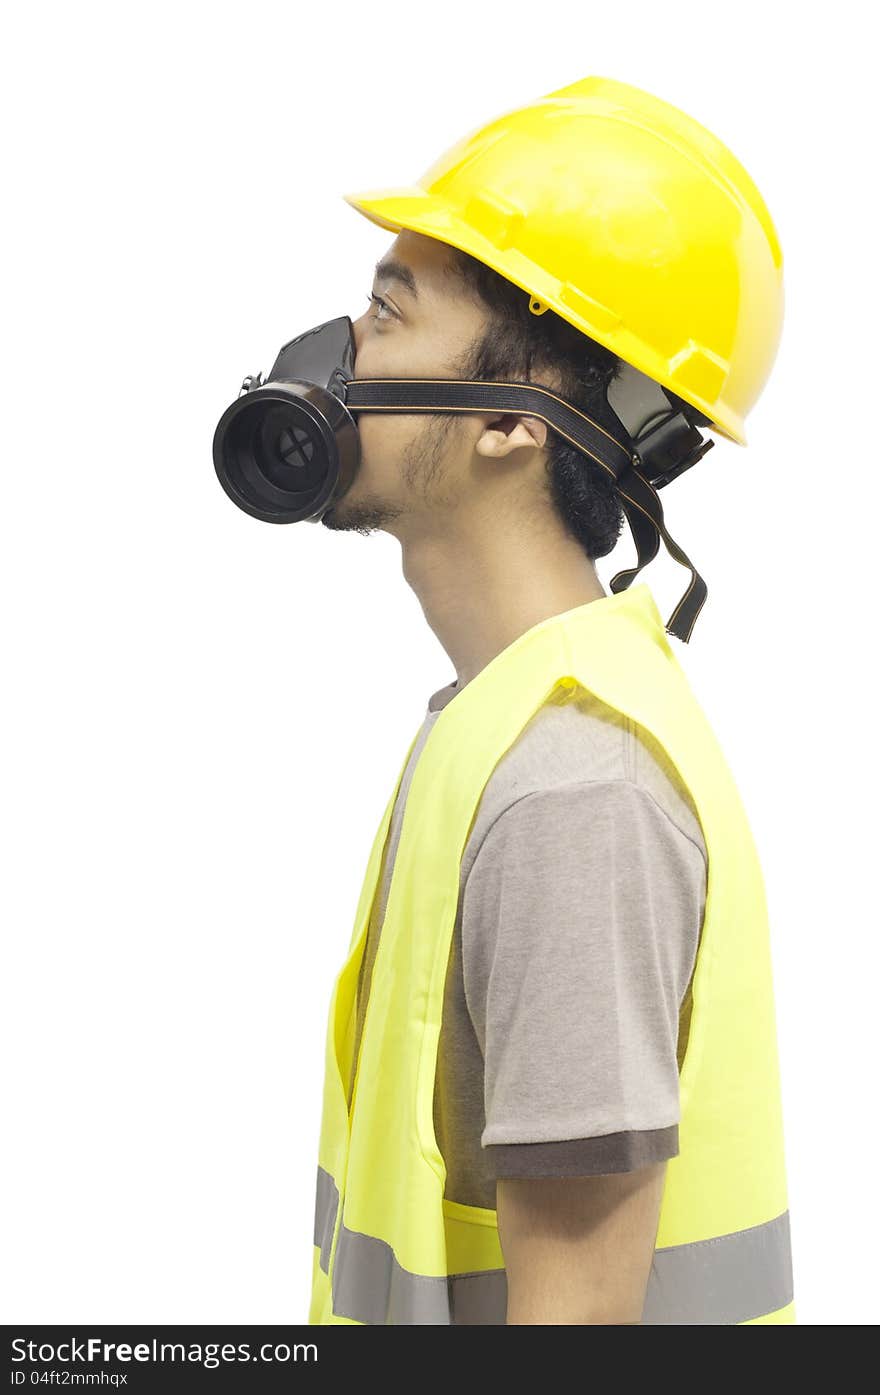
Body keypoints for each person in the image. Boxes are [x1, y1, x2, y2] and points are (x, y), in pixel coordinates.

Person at [308, 77, 794, 1325]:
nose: (338, 356)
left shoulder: (571, 789)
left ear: (515, 424)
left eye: (386, 312)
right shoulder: (499, 726)